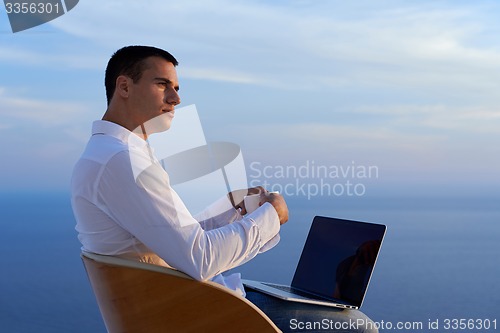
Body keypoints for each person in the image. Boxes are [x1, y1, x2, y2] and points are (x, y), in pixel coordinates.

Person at [71, 45, 378, 332]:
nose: (175, 99)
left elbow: (169, 240)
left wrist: (236, 211)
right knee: (357, 324)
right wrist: (271, 214)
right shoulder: (122, 161)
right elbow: (199, 259)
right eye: (162, 84)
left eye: (176, 88)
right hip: (190, 314)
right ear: (124, 87)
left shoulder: (112, 154)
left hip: (175, 304)